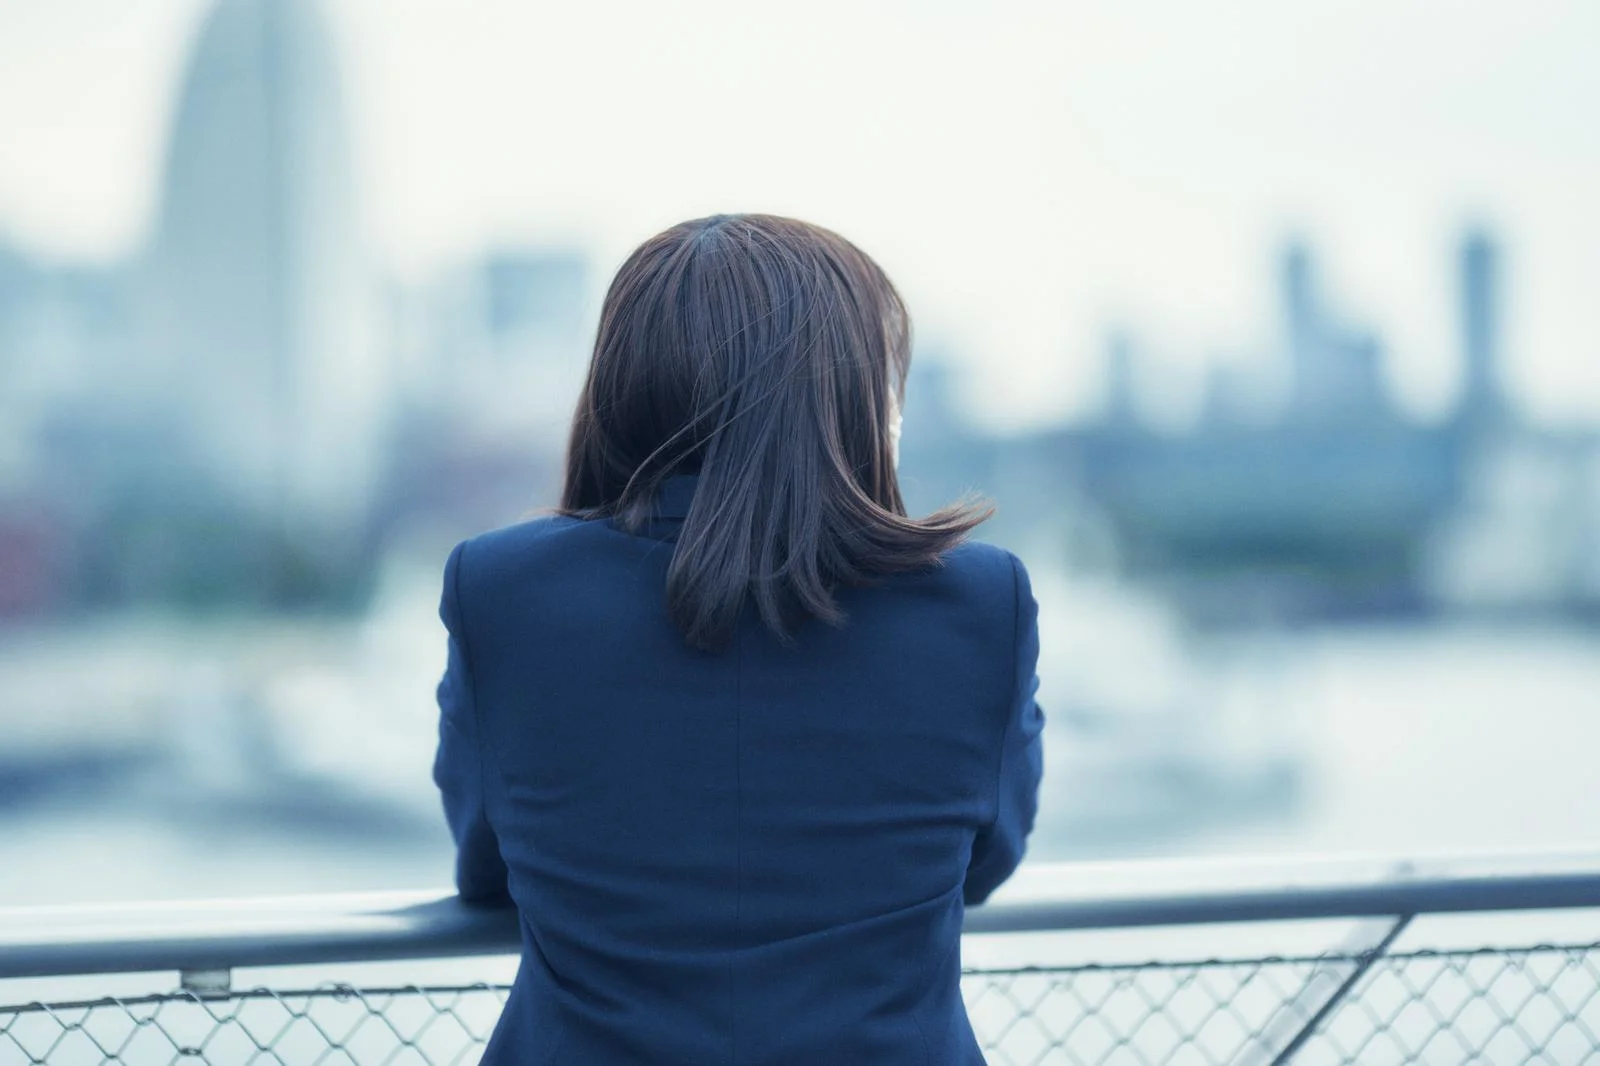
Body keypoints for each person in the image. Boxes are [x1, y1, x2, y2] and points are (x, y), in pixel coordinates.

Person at [433, 213, 1043, 1065]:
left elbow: (486, 863)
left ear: (618, 387)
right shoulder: (978, 603)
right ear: (847, 397)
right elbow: (986, 858)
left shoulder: (504, 590)